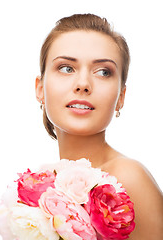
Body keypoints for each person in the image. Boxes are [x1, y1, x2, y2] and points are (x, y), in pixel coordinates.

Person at [35, 14, 163, 239]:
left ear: (121, 97)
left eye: (103, 72)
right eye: (66, 68)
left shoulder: (128, 178)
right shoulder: (40, 183)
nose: (83, 84)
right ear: (39, 89)